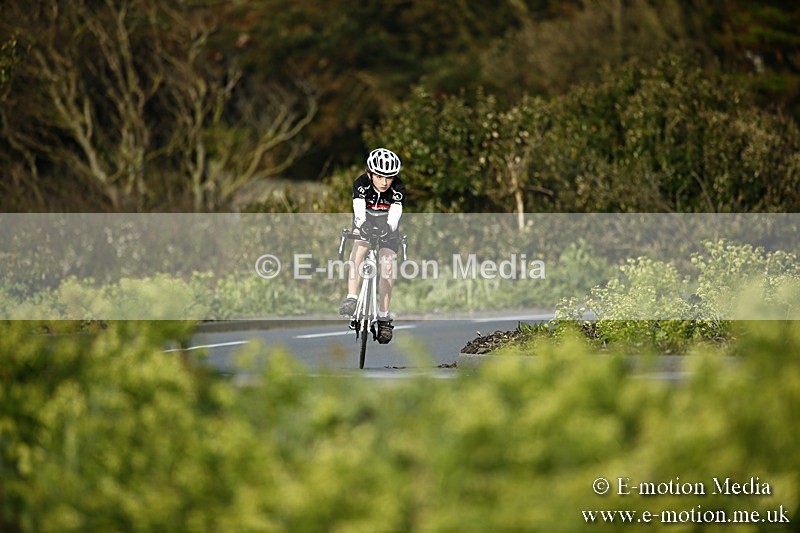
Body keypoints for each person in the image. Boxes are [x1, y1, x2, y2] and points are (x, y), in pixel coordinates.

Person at [339, 148, 406, 344]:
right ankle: (352, 297)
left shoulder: (398, 188)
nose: (384, 182)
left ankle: (384, 317)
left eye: (389, 178)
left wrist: (389, 226)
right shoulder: (361, 183)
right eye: (379, 176)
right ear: (370, 173)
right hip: (364, 222)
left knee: (388, 264)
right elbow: (358, 209)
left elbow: (395, 213)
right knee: (359, 248)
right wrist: (362, 224)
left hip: (388, 227)